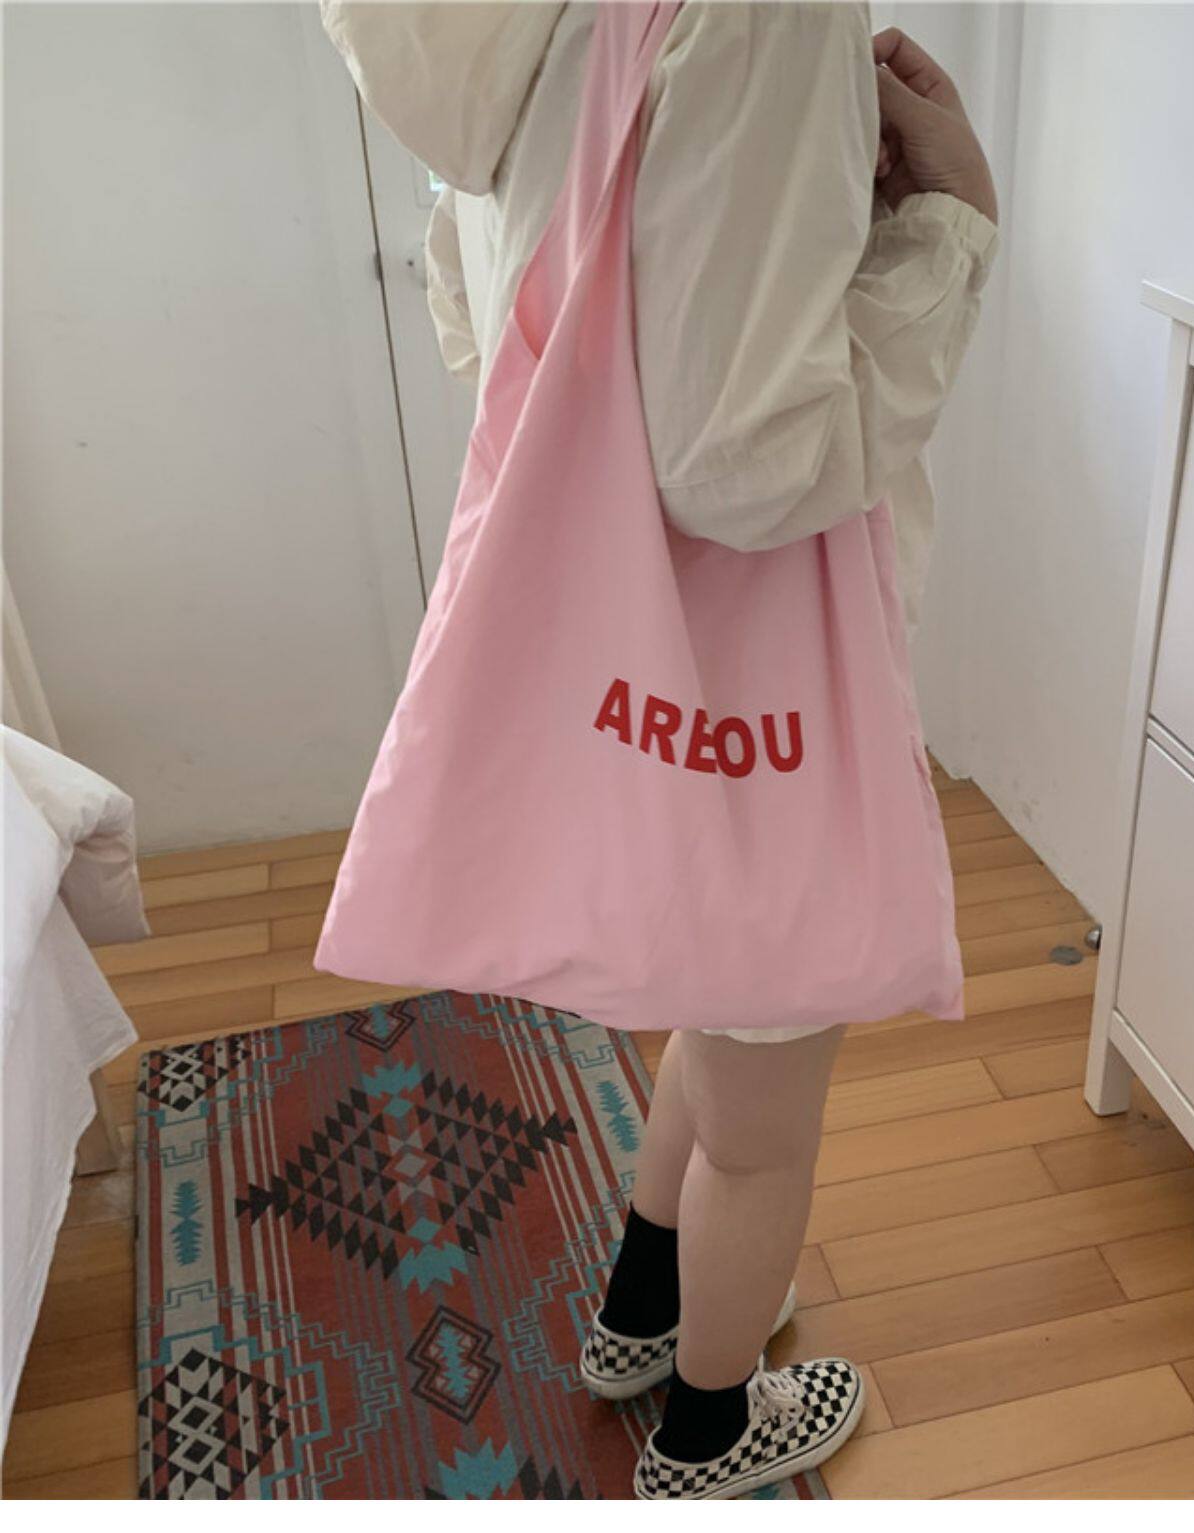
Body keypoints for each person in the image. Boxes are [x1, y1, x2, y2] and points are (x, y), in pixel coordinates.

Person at [321, 0, 997, 1500]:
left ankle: (640, 1308)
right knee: (763, 1121)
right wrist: (947, 227)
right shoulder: (761, 15)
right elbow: (746, 463)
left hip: (634, 679)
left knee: (716, 998)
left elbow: (496, 315)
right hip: (752, 705)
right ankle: (709, 1427)